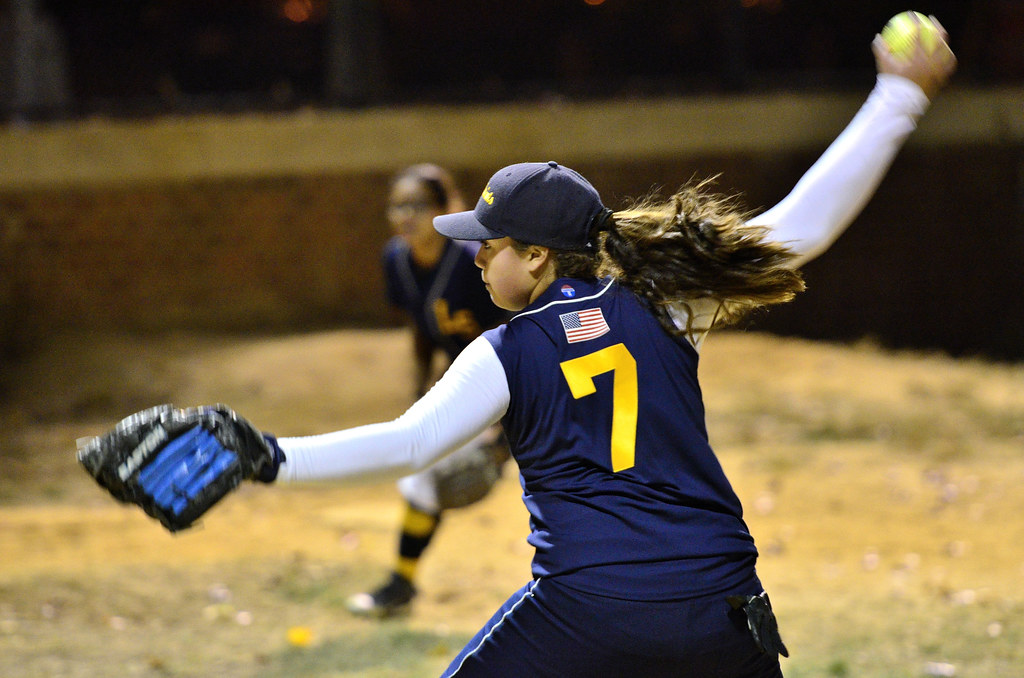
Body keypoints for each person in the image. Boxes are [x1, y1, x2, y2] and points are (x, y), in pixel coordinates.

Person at [266, 20, 955, 677]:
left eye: (491, 243)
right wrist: (898, 96)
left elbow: (407, 445)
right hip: (722, 606)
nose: (476, 258)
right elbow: (804, 224)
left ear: (537, 256)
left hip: (589, 613)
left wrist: (261, 457)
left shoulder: (503, 350)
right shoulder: (669, 303)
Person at [346, 163, 511, 618]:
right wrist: (420, 394)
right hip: (467, 382)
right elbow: (422, 330)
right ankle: (401, 583)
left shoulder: (474, 259)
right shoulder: (396, 260)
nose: (405, 216)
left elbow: (514, 329)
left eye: (418, 205)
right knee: (422, 475)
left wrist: (503, 436)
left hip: (516, 377)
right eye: (397, 206)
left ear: (443, 210)